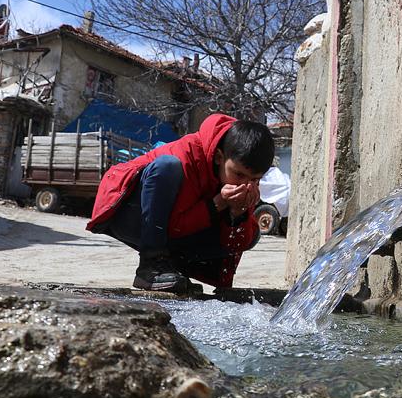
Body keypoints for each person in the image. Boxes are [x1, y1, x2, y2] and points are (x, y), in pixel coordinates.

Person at [86, 114, 274, 294]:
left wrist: (237, 214)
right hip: (129, 214)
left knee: (252, 233)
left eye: (255, 179)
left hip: (175, 229)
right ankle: (151, 266)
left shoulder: (243, 183)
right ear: (219, 157)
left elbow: (236, 242)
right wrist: (219, 203)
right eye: (239, 175)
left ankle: (170, 271)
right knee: (166, 167)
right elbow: (174, 227)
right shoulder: (187, 155)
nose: (245, 184)